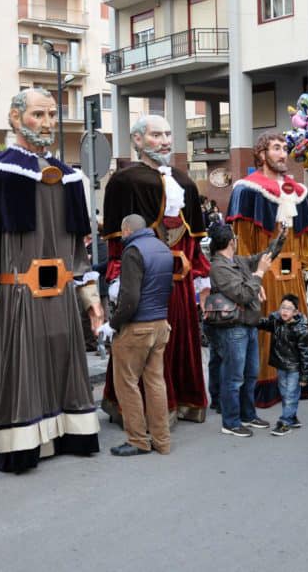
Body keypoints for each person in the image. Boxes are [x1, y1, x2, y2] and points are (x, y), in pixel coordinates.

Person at [0, 88, 101, 472]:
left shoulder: (70, 177)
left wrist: (91, 301)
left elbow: (79, 252)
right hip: (16, 297)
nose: (47, 123)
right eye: (38, 114)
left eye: (52, 115)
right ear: (15, 117)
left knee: (61, 366)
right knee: (21, 373)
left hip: (60, 298)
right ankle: (21, 445)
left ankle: (65, 434)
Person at [100, 114, 210, 424]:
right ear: (137, 140)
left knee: (180, 344)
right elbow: (118, 241)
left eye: (168, 134)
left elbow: (192, 239)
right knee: (141, 350)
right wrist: (119, 278)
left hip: (180, 284)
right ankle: (143, 415)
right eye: (156, 135)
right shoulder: (124, 182)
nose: (164, 141)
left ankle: (182, 403)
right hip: (145, 282)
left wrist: (201, 276)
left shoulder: (184, 181)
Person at [226, 132, 308, 405]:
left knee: (296, 330)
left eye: (284, 148)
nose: (283, 154)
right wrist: (249, 280)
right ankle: (265, 389)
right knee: (266, 334)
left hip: (293, 277)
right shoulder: (247, 190)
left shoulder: (298, 192)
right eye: (276, 148)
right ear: (262, 154)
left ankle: (297, 384)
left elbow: (305, 242)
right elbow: (241, 243)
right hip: (265, 277)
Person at [100, 214, 173, 457]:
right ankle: (162, 441)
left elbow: (130, 298)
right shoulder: (163, 248)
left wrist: (113, 324)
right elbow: (169, 287)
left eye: (122, 232)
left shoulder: (132, 251)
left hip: (137, 327)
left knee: (127, 384)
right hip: (160, 324)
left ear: (127, 230)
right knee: (155, 383)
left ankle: (138, 440)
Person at [207, 223, 276, 437]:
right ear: (231, 242)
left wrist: (281, 236)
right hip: (233, 327)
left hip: (248, 324)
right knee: (234, 377)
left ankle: (248, 415)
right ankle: (230, 422)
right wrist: (260, 273)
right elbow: (243, 295)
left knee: (250, 374)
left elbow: (263, 256)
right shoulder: (218, 267)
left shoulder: (236, 260)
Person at [256, 294, 308, 436]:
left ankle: (285, 422)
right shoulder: (276, 322)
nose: (285, 311)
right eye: (283, 307)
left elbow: (306, 354)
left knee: (291, 394)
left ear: (296, 312)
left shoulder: (301, 330)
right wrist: (251, 318)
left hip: (294, 368)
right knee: (284, 392)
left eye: (289, 308)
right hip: (281, 365)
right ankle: (292, 417)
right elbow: (263, 323)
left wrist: (304, 376)